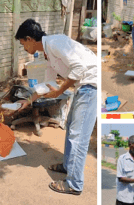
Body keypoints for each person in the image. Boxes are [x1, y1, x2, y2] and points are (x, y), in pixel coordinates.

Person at [15, 19, 97, 196]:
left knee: (78, 136)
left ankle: (74, 184)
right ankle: (68, 166)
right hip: (83, 86)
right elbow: (47, 84)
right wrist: (27, 101)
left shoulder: (54, 42)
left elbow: (79, 68)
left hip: (90, 86)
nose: (24, 49)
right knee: (71, 129)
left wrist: (60, 90)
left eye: (23, 44)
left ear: (29, 39)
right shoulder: (48, 52)